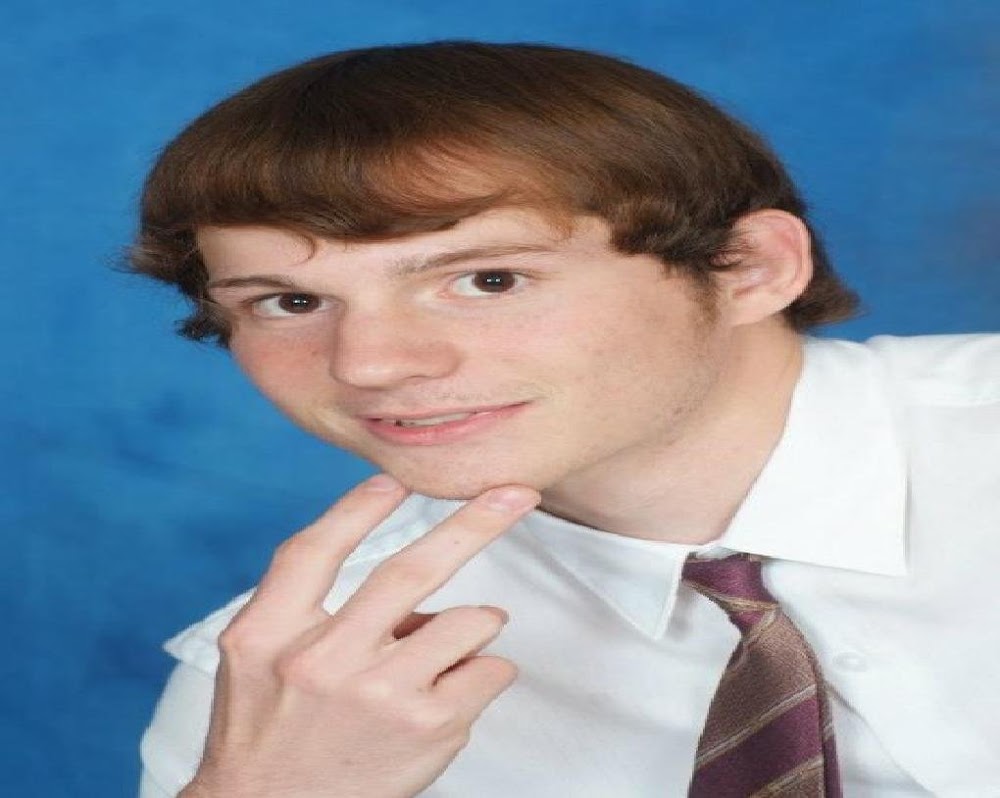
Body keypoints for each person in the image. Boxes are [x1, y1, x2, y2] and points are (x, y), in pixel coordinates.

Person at [131, 41, 1000, 797]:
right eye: (289, 301)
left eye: (489, 280)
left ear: (747, 267)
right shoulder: (284, 689)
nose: (370, 363)